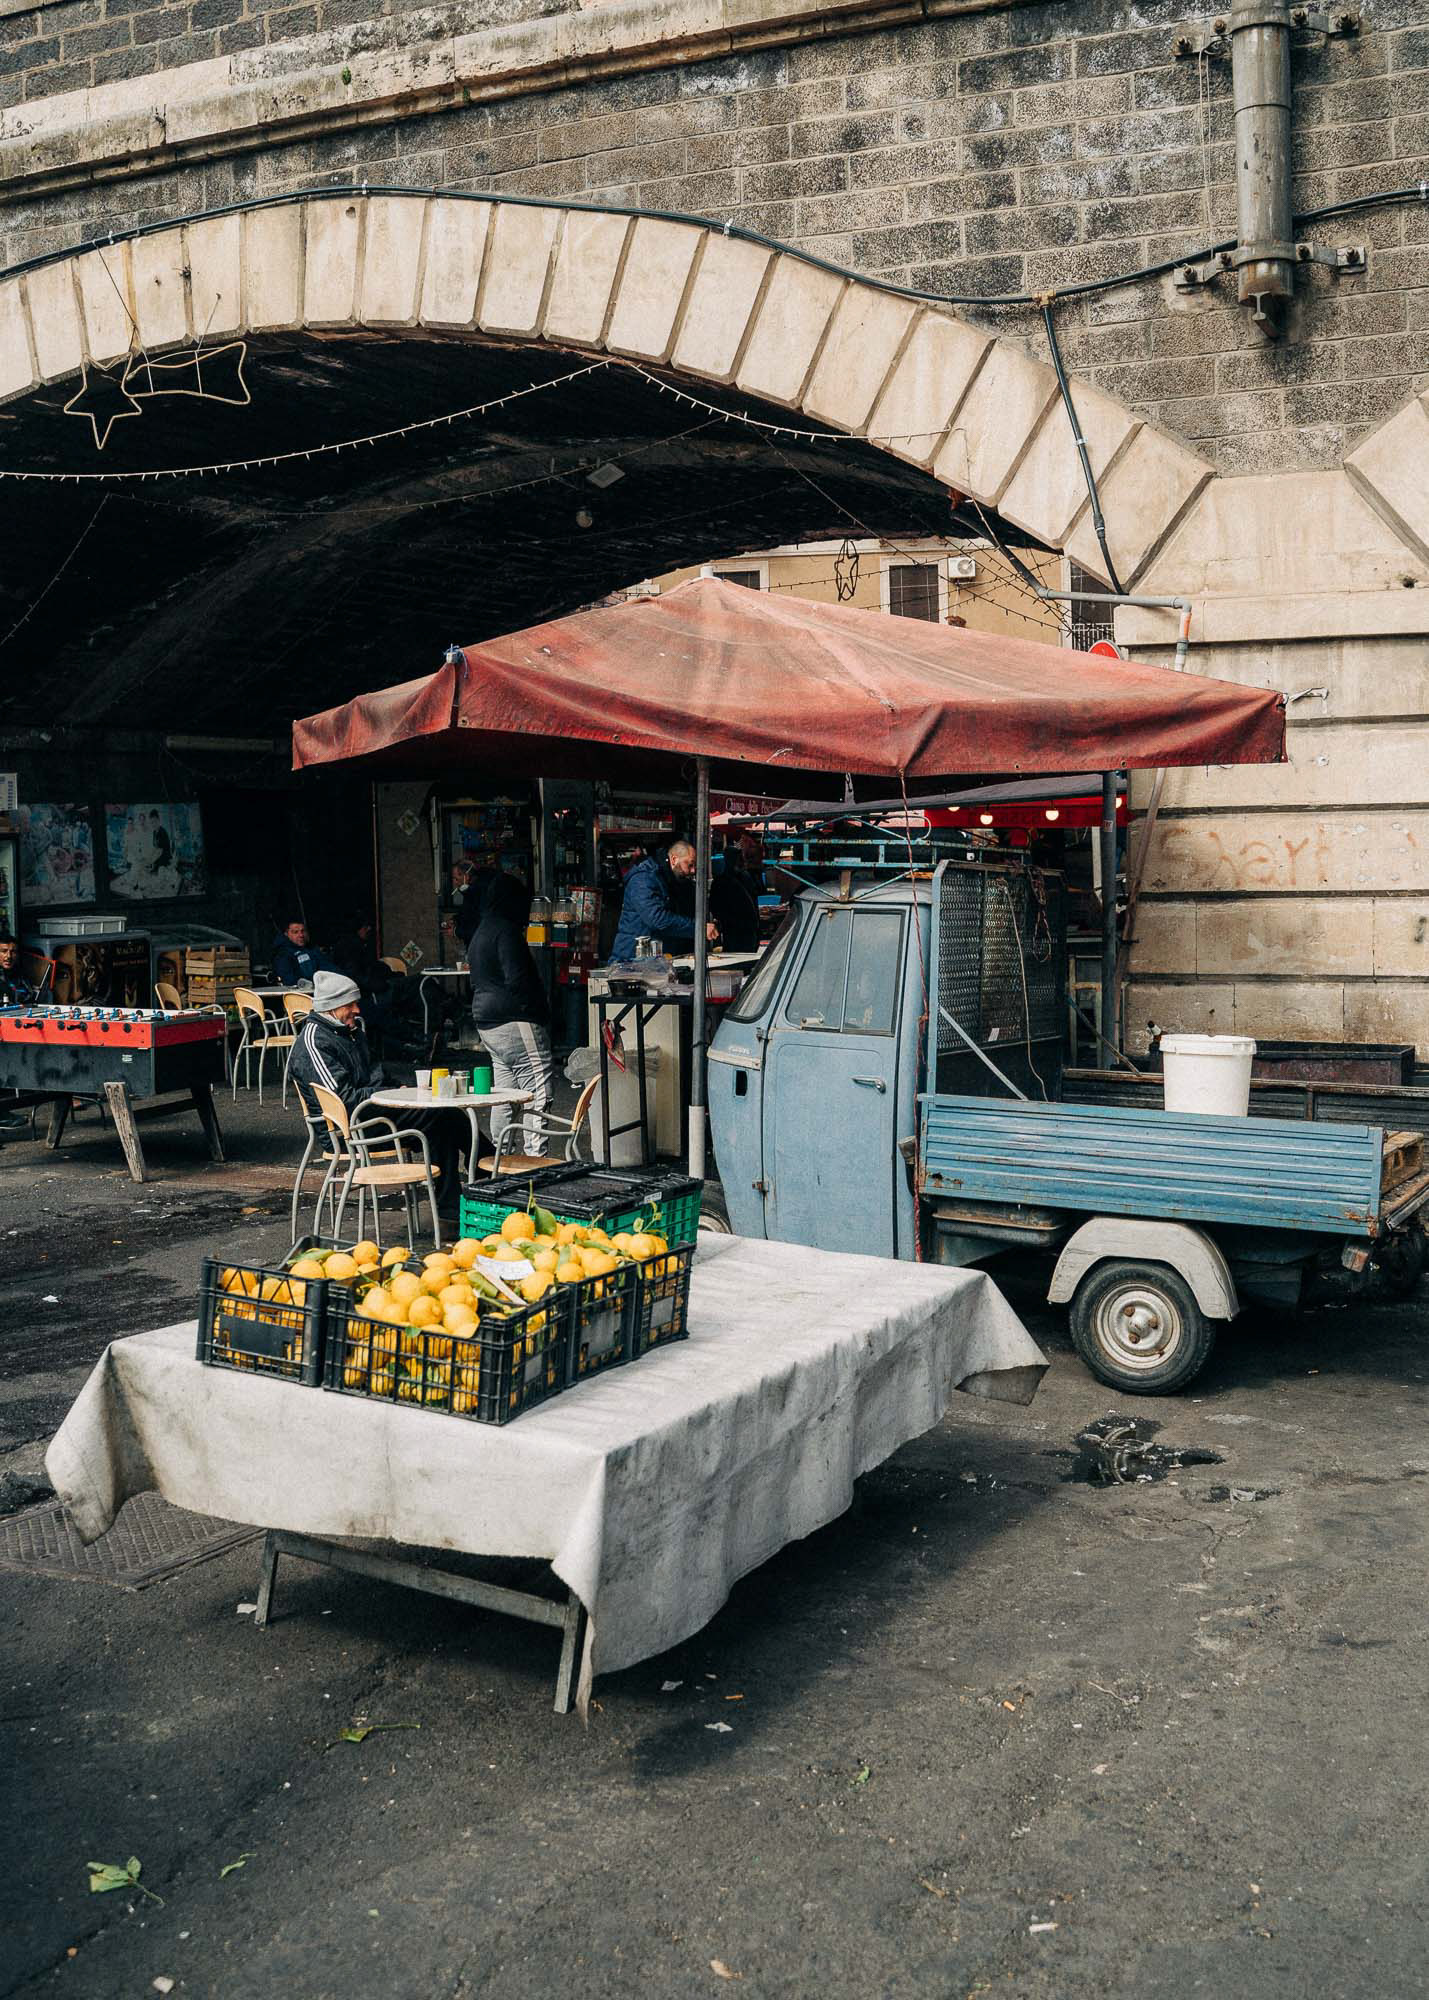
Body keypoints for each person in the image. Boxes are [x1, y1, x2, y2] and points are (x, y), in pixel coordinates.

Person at [288, 971, 465, 1206]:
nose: (357, 1010)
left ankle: (454, 1205)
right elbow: (343, 1099)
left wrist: (396, 1088)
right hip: (348, 1132)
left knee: (442, 1116)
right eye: (350, 1004)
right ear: (332, 1007)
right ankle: (479, 1176)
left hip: (369, 1116)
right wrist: (389, 1095)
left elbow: (374, 1072)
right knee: (440, 1115)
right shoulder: (315, 1041)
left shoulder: (347, 1032)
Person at [469, 874, 556, 1159]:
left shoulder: (482, 930)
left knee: (504, 1095)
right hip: (514, 1019)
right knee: (538, 1089)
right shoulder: (506, 931)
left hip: (486, 1021)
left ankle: (499, 1158)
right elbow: (518, 980)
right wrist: (538, 1012)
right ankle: (534, 1160)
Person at [610, 840, 720, 960]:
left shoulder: (675, 880)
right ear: (673, 859)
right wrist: (698, 928)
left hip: (659, 959)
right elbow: (657, 919)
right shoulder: (644, 878)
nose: (693, 870)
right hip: (631, 960)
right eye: (690, 865)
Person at [708, 847, 761, 953]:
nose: (741, 861)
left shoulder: (745, 877)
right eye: (738, 858)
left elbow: (754, 900)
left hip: (749, 928)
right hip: (733, 930)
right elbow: (715, 907)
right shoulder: (721, 882)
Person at [272, 917, 344, 989]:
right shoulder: (282, 955)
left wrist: (343, 979)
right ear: (286, 934)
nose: (301, 935)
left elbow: (328, 967)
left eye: (303, 931)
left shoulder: (312, 949)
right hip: (303, 994)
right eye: (295, 932)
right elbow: (290, 981)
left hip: (323, 989)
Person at [0, 931, 35, 1007]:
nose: (9, 956)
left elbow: (30, 996)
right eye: (4, 951)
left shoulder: (19, 974)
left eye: (13, 952)